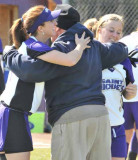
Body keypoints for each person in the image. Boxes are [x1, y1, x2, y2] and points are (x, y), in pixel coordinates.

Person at [3, 4, 129, 160]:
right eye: (51, 21)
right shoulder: (94, 46)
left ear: (59, 29)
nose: (54, 24)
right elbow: (119, 49)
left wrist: (9, 53)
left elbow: (32, 70)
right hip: (100, 117)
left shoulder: (54, 48)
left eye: (55, 22)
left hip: (66, 116)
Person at [0, 5, 90, 160]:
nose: (55, 24)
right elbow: (70, 60)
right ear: (40, 28)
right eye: (51, 21)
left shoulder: (31, 46)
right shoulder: (34, 46)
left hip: (13, 113)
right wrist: (80, 46)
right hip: (13, 114)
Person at [92, 13, 137, 160]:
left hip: (116, 124)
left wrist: (130, 92)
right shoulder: (87, 53)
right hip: (92, 124)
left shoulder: (122, 58)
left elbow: (127, 93)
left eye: (118, 32)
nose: (115, 35)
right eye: (111, 30)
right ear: (99, 30)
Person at [120, 28, 138, 160]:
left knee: (125, 134)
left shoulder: (123, 40)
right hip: (126, 96)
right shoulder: (124, 41)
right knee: (124, 134)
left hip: (124, 97)